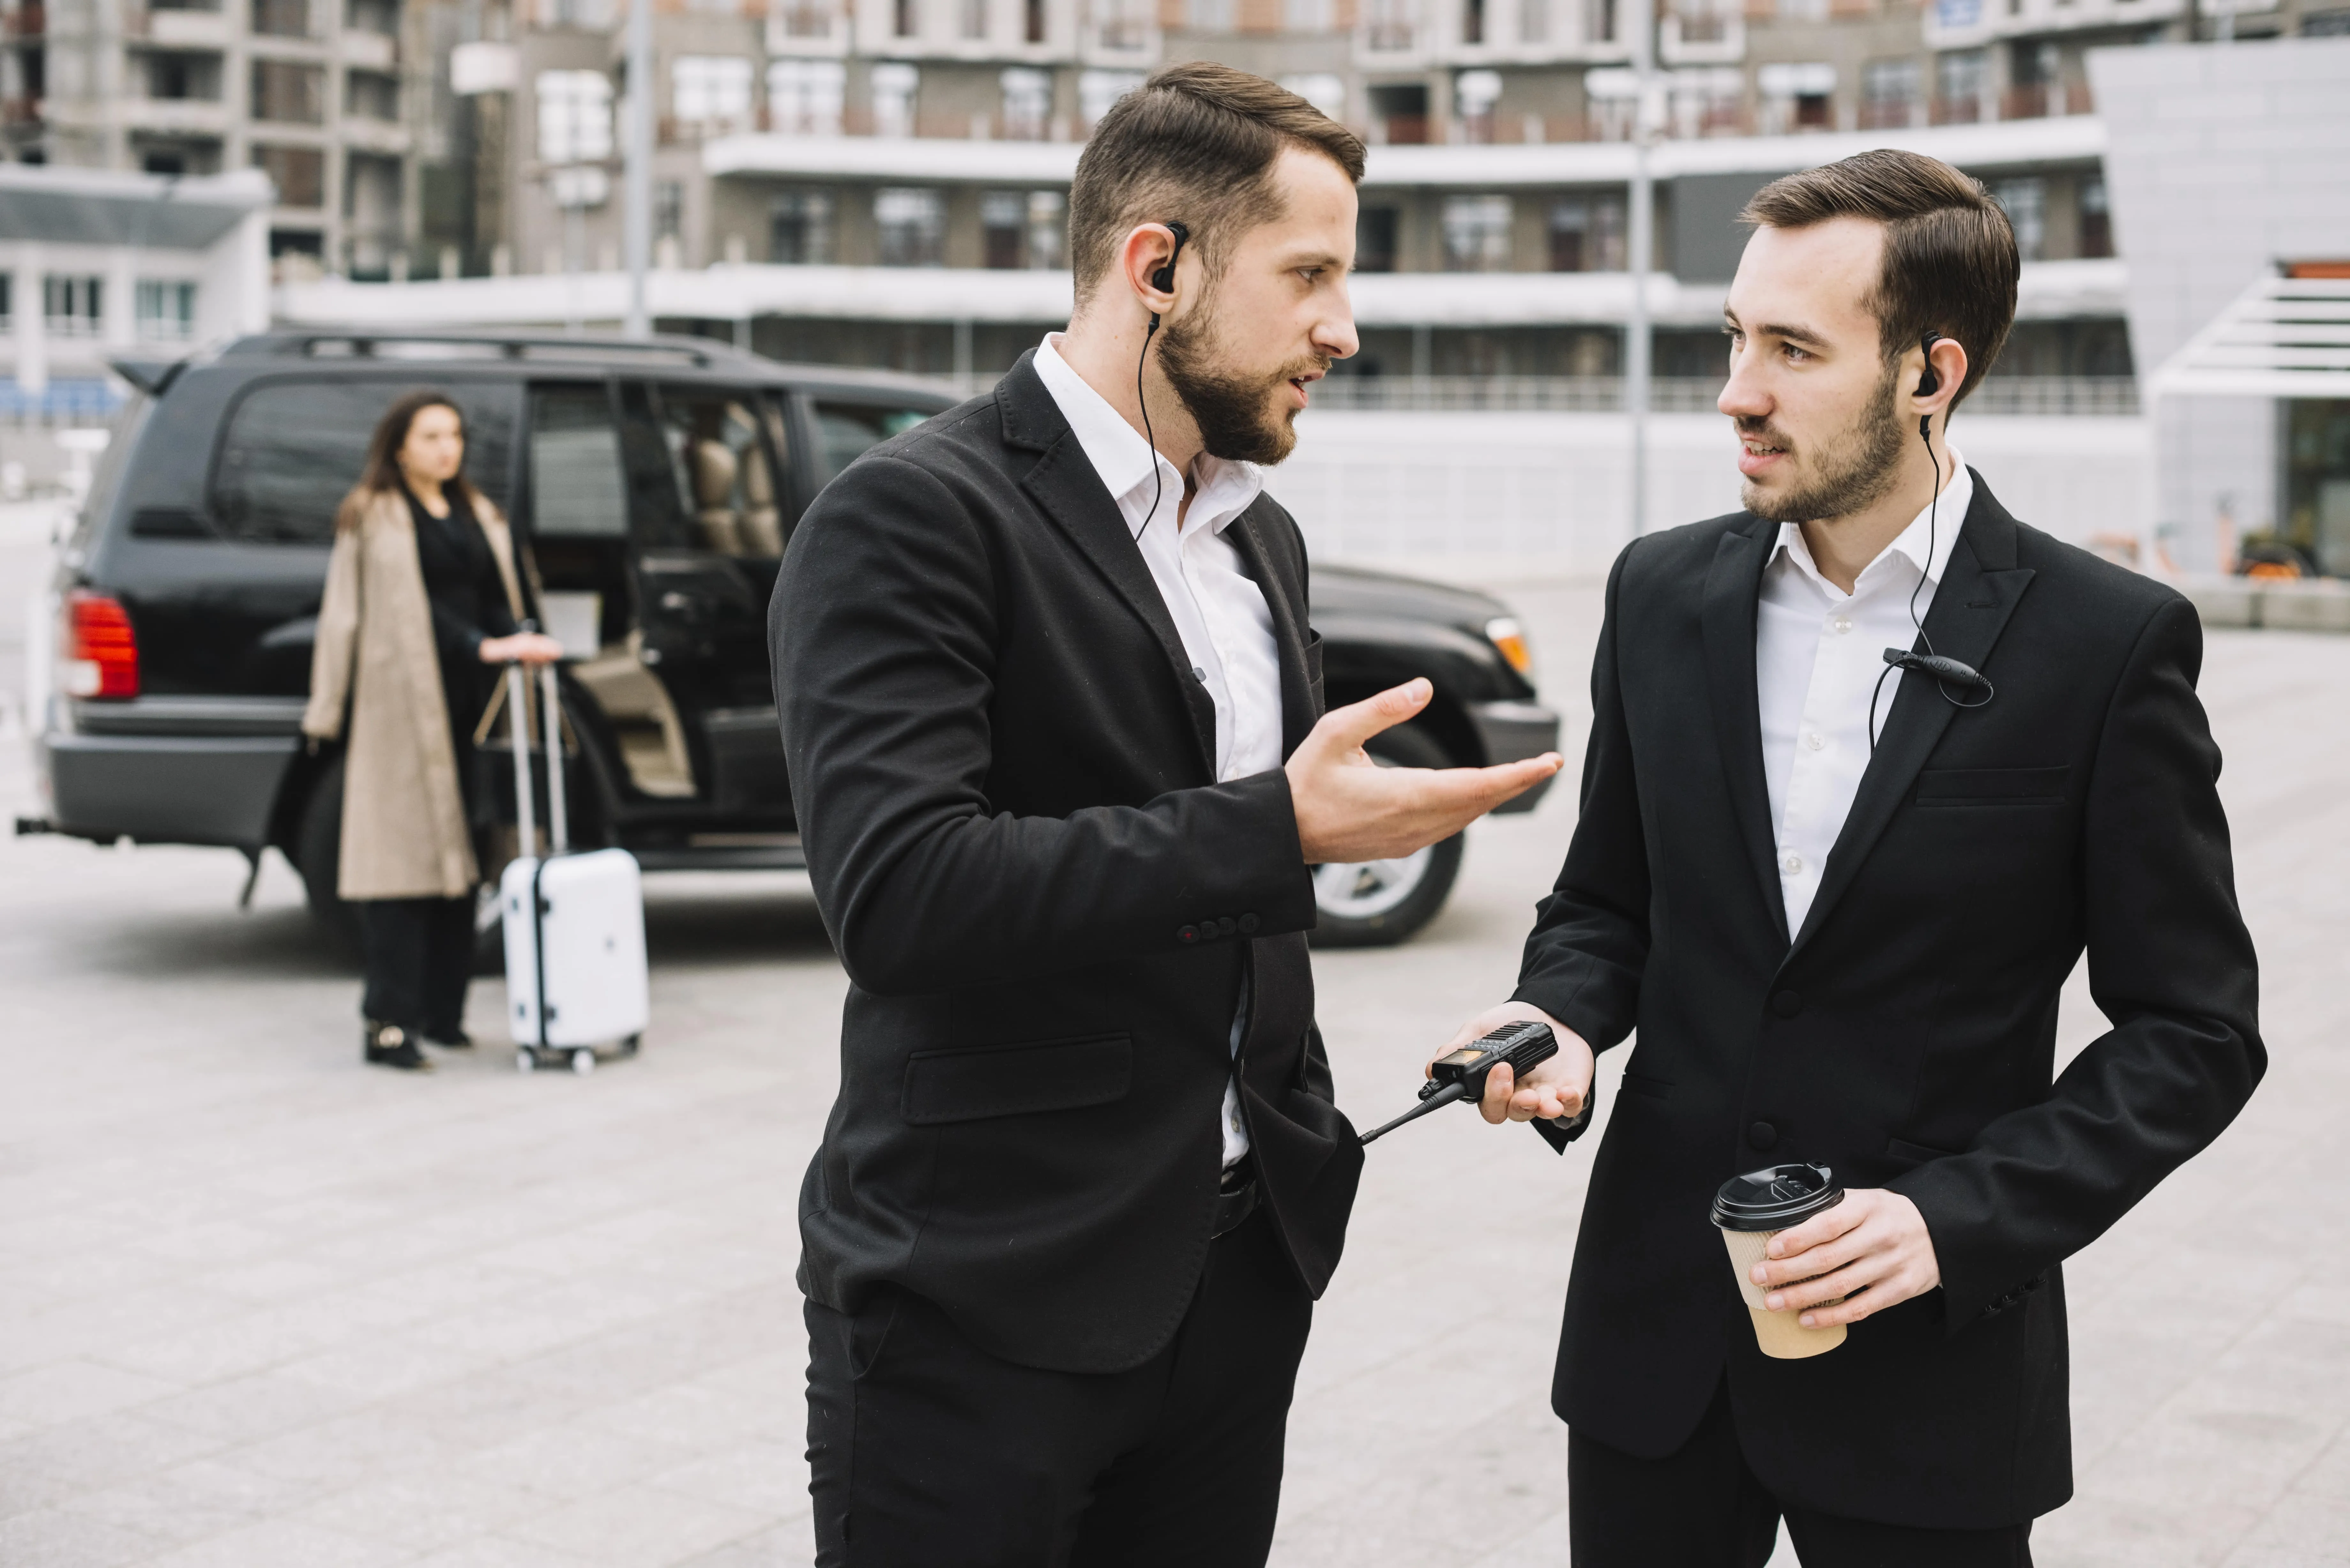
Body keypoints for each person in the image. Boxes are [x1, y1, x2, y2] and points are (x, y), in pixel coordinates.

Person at [772, 63, 1561, 1567]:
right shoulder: (910, 512)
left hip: (1231, 1279)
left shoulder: (1259, 538)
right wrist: (1283, 827)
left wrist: (1300, 1131)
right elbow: (900, 894)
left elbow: (1237, 918)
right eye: (1311, 274)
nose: (1343, 326)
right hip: (977, 1301)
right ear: (1158, 267)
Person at [1443, 149, 2263, 1564]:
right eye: (1733, 339)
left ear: (1928, 373)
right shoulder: (1656, 593)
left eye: (1791, 350)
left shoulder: (2107, 642)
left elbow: (2194, 1032)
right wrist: (1562, 1016)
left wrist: (1957, 1220)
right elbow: (1604, 905)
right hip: (1657, 1358)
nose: (1735, 391)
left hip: (1928, 1375)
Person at [303, 392, 562, 1072]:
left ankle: (443, 1015)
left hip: (473, 706)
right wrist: (326, 710)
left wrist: (518, 639)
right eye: (430, 436)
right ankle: (388, 1023)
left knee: (466, 864)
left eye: (454, 435)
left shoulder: (478, 513)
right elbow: (350, 616)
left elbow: (491, 598)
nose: (447, 448)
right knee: (402, 872)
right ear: (399, 447)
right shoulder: (373, 516)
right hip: (401, 705)